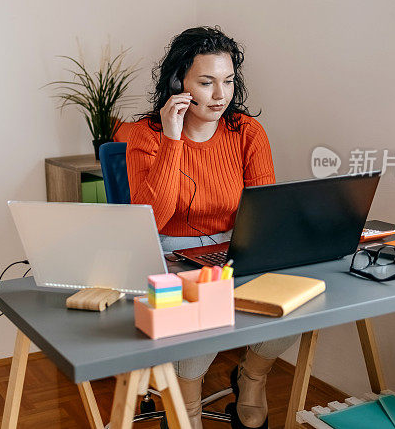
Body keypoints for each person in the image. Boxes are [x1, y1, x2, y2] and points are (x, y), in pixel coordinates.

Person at [126, 26, 298, 429]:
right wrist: (172, 140)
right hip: (169, 250)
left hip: (236, 246)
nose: (221, 95)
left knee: (298, 303)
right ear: (178, 84)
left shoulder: (246, 132)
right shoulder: (143, 136)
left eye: (228, 81)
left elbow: (263, 209)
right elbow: (152, 217)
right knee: (198, 322)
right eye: (206, 82)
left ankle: (251, 377)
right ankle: (185, 407)